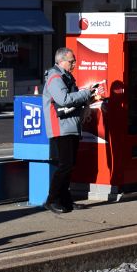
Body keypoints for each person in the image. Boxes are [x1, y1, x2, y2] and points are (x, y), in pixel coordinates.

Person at [42, 47, 102, 214]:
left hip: (70, 125)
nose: (74, 64)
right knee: (65, 165)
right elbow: (64, 99)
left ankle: (66, 201)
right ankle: (51, 200)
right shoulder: (55, 77)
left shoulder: (66, 76)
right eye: (71, 61)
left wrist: (88, 96)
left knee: (69, 165)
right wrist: (84, 94)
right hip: (60, 127)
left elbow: (71, 99)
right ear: (61, 61)